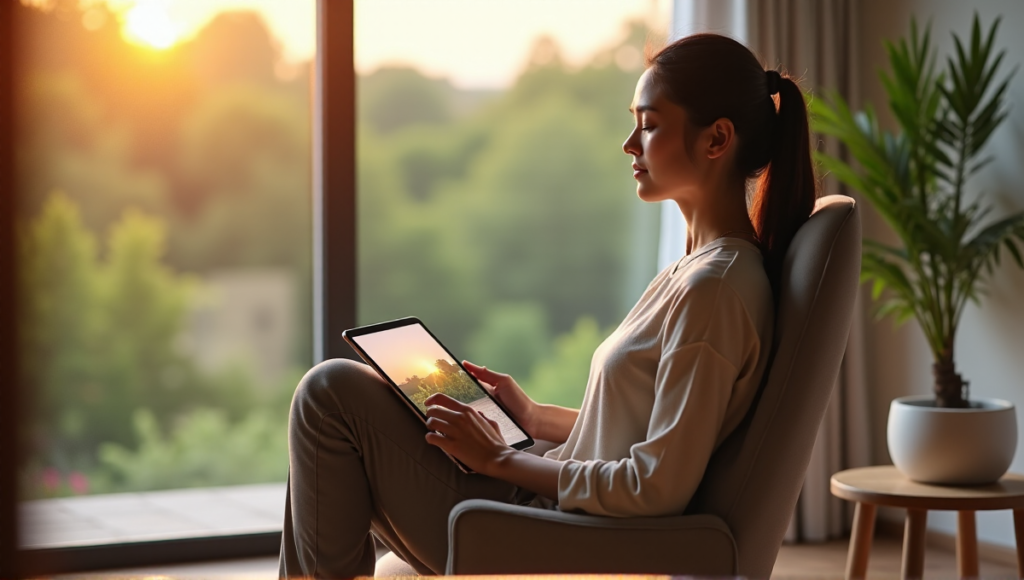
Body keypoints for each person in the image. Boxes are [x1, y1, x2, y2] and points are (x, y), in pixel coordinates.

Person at [278, 32, 816, 578]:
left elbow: (655, 485)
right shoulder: (697, 271)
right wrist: (534, 418)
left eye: (650, 125)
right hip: (546, 498)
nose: (630, 144)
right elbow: (647, 431)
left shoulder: (716, 289)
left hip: (556, 530)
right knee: (333, 427)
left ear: (717, 139)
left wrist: (501, 459)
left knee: (329, 396)